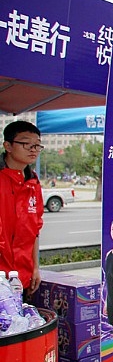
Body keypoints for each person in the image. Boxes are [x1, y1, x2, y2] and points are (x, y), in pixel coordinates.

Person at [0, 120, 45, 295]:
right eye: (26, 143)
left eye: (37, 145)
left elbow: (34, 230)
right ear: (8, 146)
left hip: (21, 278)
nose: (33, 149)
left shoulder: (33, 183)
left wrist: (35, 268)